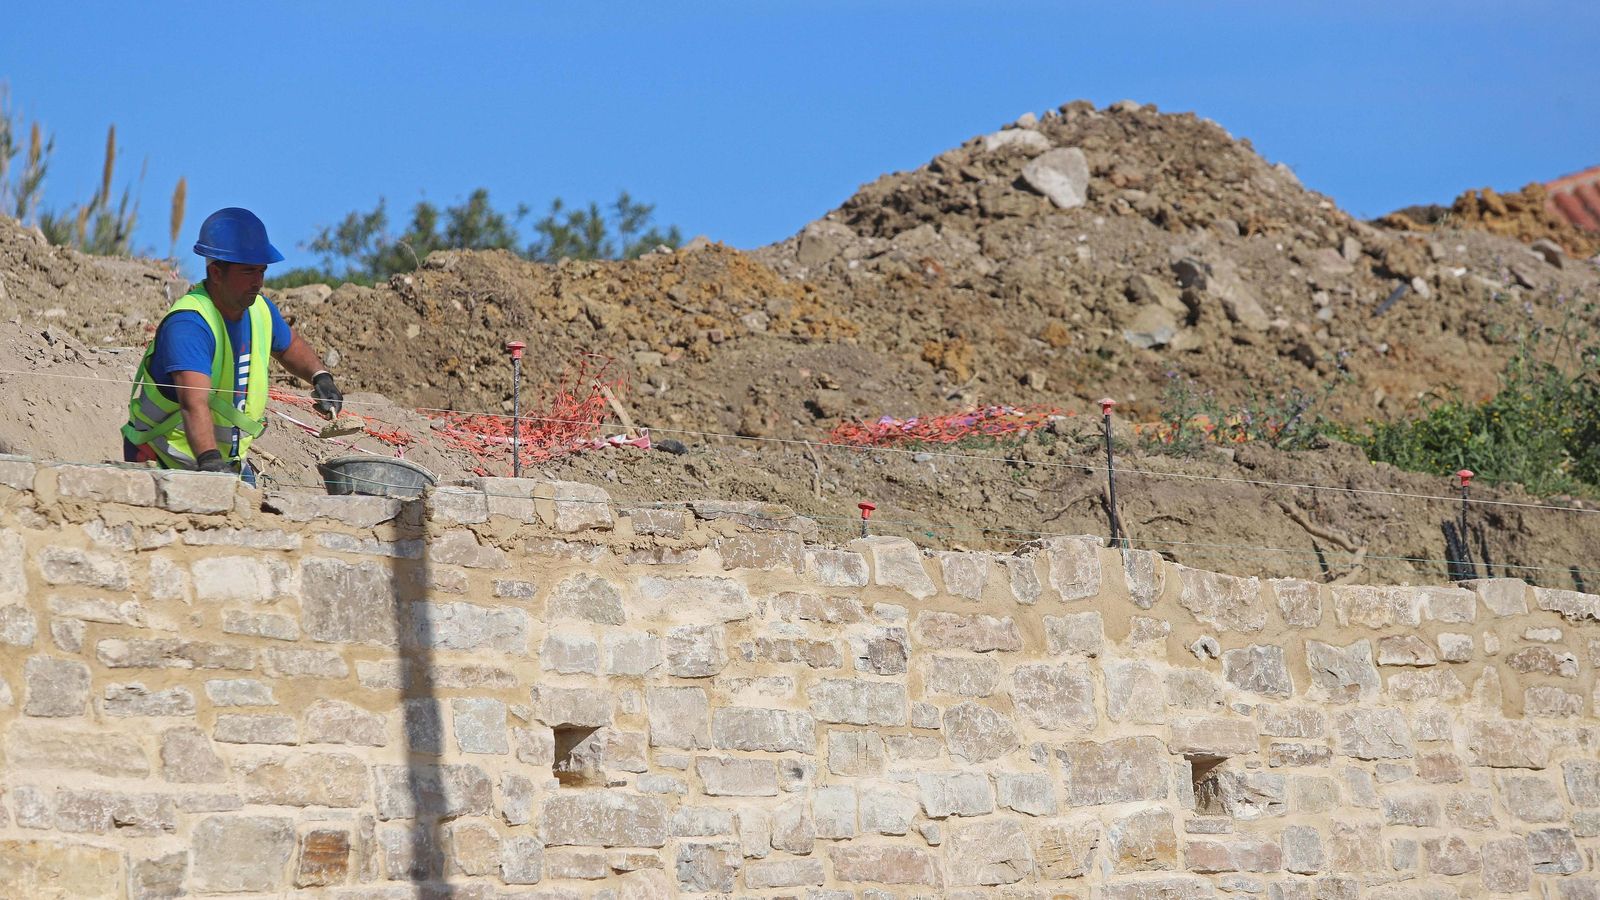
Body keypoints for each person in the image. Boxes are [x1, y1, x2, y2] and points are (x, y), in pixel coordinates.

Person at [123, 207, 343, 481]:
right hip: (163, 463)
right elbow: (194, 403)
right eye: (248, 271)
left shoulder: (259, 310)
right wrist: (210, 462)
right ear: (216, 272)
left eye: (262, 271)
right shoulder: (190, 324)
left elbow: (288, 345)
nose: (258, 281)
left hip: (226, 464)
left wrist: (320, 376)